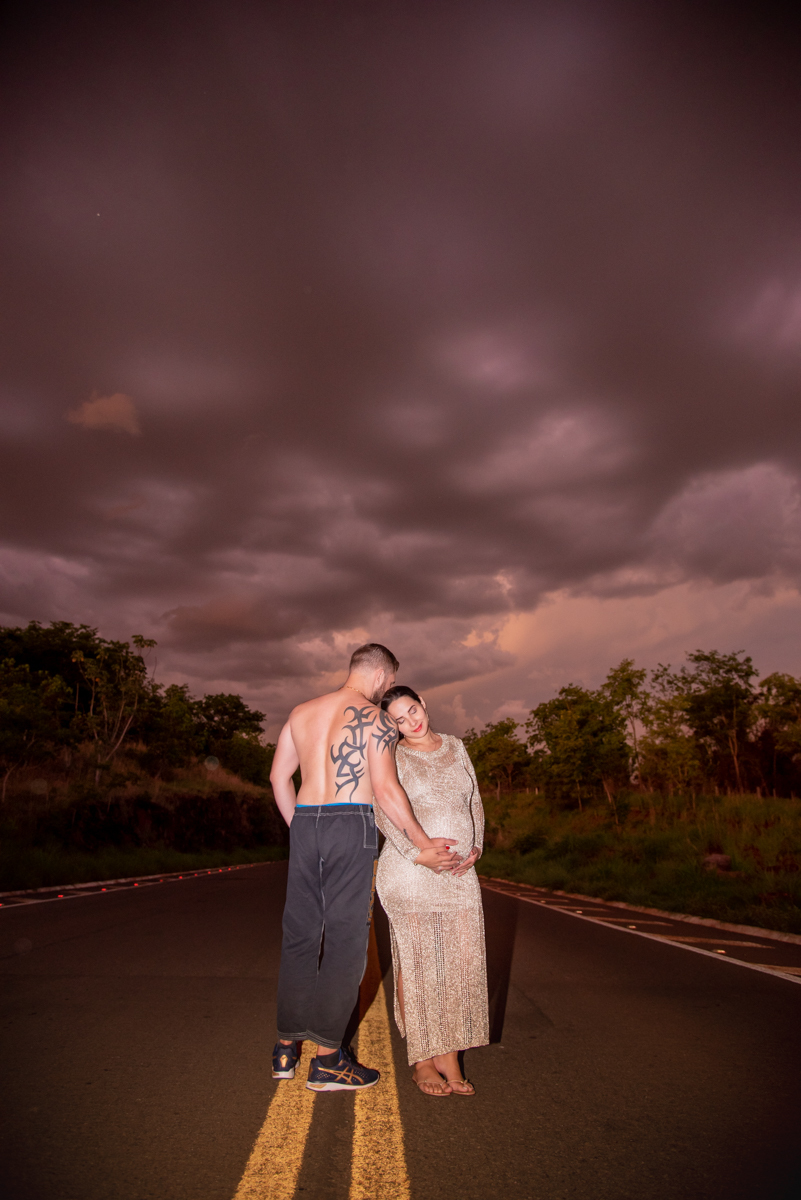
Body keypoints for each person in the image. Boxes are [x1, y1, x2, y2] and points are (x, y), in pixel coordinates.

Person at [269, 643, 459, 1092]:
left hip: (306, 821)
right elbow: (386, 788)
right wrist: (423, 841)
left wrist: (300, 827)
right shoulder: (375, 719)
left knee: (298, 936)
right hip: (348, 822)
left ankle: (284, 1049)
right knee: (345, 942)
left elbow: (279, 778)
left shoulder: (301, 712)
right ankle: (329, 1060)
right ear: (383, 677)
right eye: (389, 683)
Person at [374, 685, 489, 1097]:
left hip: (458, 873)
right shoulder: (392, 756)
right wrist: (416, 852)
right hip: (410, 871)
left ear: (422, 701)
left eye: (412, 710)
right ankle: (423, 1059)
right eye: (399, 721)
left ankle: (450, 1055)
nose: (411, 722)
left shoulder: (457, 747)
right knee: (419, 962)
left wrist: (476, 843)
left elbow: (472, 798)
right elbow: (383, 809)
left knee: (462, 961)